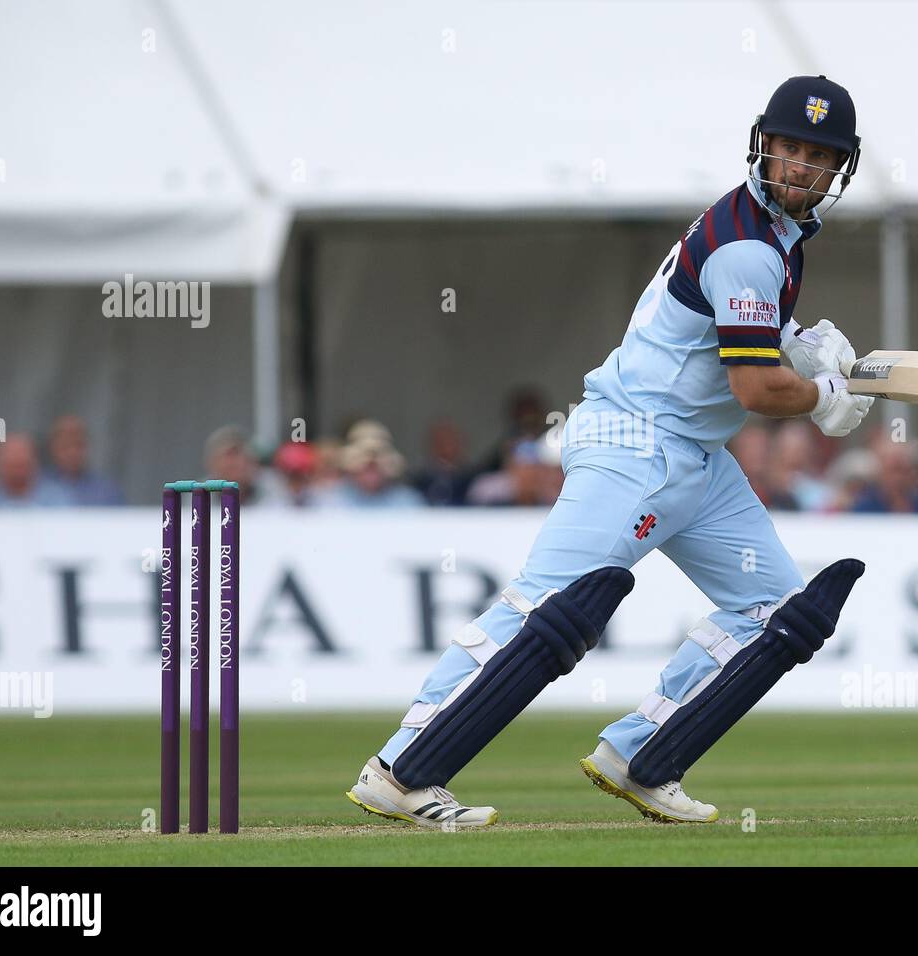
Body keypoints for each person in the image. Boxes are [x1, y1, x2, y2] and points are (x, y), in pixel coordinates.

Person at [347, 76, 873, 828]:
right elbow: (756, 389)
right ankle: (402, 770)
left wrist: (800, 344)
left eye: (816, 156)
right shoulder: (750, 247)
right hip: (639, 440)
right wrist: (824, 397)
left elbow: (723, 336)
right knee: (546, 606)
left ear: (838, 169)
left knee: (776, 611)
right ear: (763, 144)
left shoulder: (775, 236)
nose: (797, 167)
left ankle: (644, 755)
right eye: (788, 148)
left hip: (694, 451)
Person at [0, 434, 72, 508]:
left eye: (22, 465)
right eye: (11, 465)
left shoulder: (56, 500)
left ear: (35, 464)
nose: (17, 473)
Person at [44, 415, 125, 506]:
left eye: (78, 445)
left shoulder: (106, 491)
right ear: (52, 448)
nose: (72, 452)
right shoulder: (37, 487)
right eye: (66, 446)